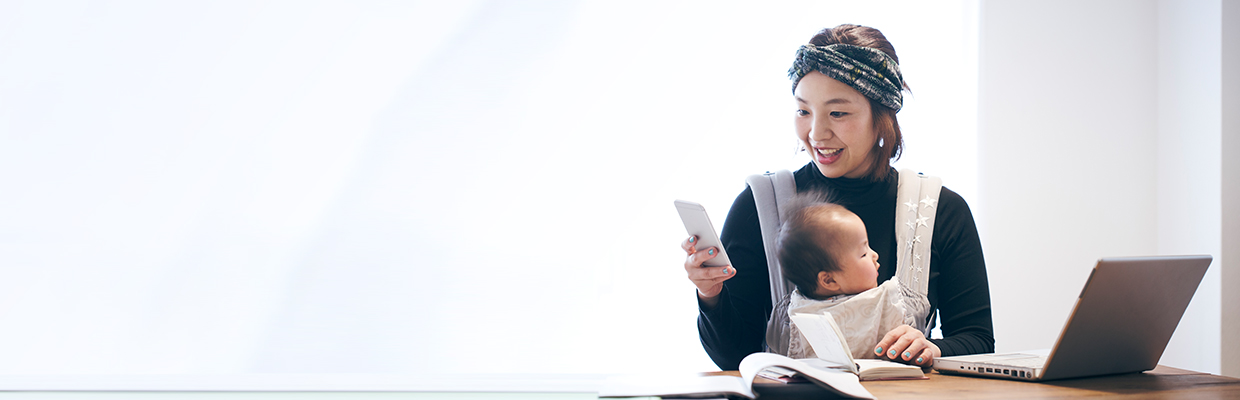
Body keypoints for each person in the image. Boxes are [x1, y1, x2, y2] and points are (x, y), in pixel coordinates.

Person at [680, 24, 993, 371]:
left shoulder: (941, 210)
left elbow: (978, 339)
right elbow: (733, 357)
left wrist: (934, 348)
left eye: (838, 113)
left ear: (883, 115)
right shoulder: (759, 205)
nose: (815, 133)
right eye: (803, 111)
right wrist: (710, 295)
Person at [776, 194, 931, 363]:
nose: (875, 255)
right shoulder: (794, 315)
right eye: (864, 253)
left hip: (890, 387)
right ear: (829, 280)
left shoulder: (890, 300)